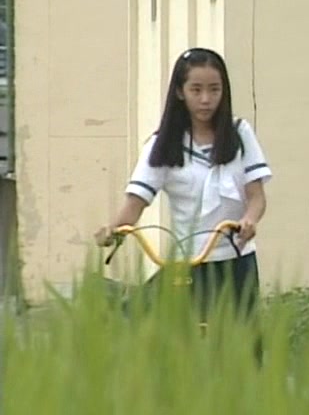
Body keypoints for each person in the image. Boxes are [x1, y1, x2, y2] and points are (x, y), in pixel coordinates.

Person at [95, 47, 271, 324]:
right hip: (188, 261)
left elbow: (256, 197)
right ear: (180, 92)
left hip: (236, 259)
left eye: (214, 90)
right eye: (196, 90)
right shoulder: (163, 144)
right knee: (142, 323)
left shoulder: (239, 134)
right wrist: (113, 230)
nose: (206, 99)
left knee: (241, 339)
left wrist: (248, 220)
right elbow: (135, 204)